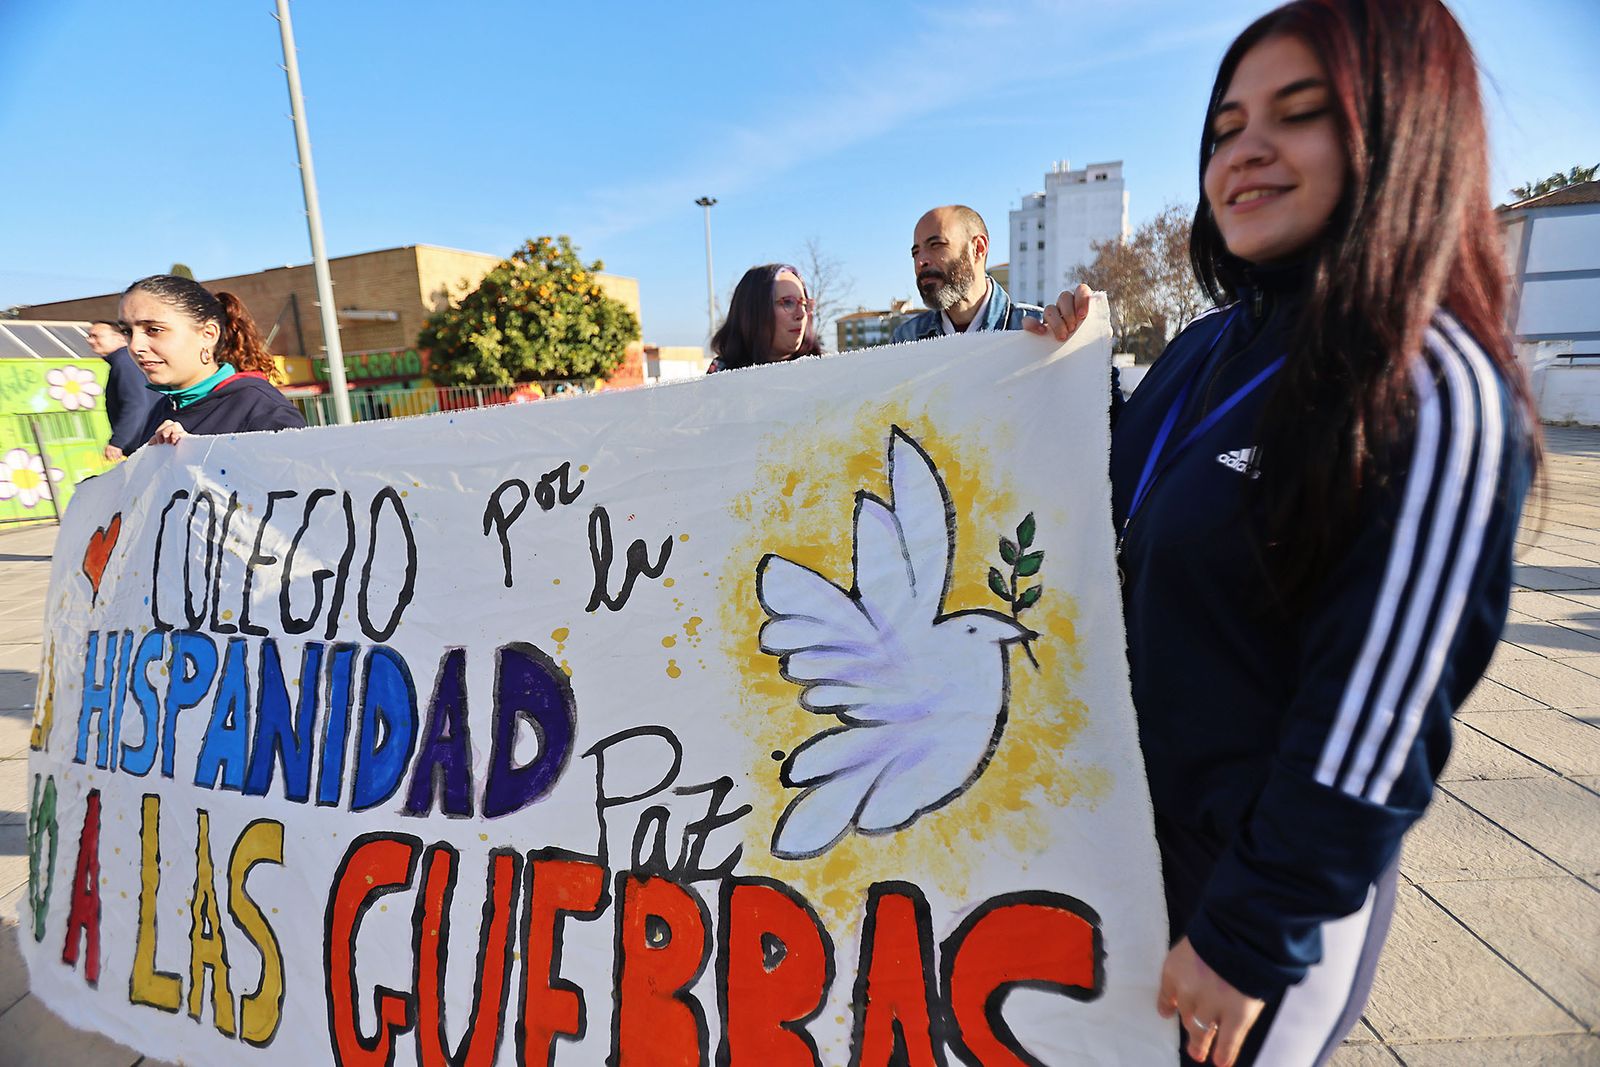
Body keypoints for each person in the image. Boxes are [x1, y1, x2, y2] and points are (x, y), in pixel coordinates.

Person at [1028, 2, 1536, 1064]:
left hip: (1245, 912)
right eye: (1223, 128)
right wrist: (1041, 385)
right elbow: (1109, 515)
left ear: (1401, 134)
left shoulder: (1426, 388)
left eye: (1298, 115)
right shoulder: (1208, 346)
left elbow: (1377, 719)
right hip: (1123, 852)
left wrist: (1247, 934)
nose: (1244, 151)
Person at [117, 274, 305, 451]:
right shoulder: (162, 408)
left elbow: (298, 480)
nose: (135, 346)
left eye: (154, 329)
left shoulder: (261, 408)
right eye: (127, 332)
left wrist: (198, 454)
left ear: (208, 335)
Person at [891, 205, 1042, 343]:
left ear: (978, 248)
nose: (920, 262)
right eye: (915, 253)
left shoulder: (1039, 330)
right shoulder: (906, 339)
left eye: (936, 245)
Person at [706, 264, 824, 372]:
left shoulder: (824, 370)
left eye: (804, 304)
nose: (801, 314)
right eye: (788, 302)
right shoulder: (721, 377)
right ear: (754, 311)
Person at [85, 318, 156, 461]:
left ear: (119, 338)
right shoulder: (127, 360)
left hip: (146, 444)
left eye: (96, 336)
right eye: (89, 336)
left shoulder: (124, 362)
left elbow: (135, 404)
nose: (90, 341)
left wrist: (118, 442)